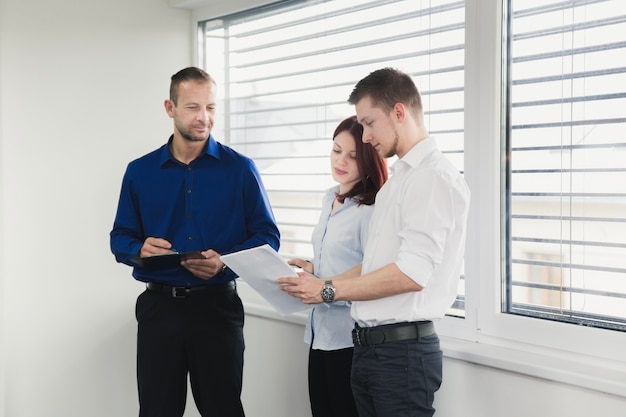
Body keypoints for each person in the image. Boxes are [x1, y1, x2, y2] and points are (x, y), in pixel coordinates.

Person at [278, 67, 470, 417]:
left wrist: (329, 292)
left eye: (369, 123)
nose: (364, 137)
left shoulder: (430, 178)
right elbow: (376, 266)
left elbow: (412, 274)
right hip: (372, 349)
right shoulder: (399, 181)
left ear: (399, 112)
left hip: (402, 354)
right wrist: (322, 283)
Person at [110, 66, 280, 417]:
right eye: (192, 107)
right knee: (157, 410)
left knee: (223, 409)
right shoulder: (139, 172)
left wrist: (226, 260)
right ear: (170, 108)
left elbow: (267, 237)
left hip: (217, 310)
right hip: (160, 311)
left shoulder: (241, 169)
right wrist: (138, 250)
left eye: (211, 107)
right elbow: (120, 237)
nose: (204, 117)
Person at [288, 116, 388, 417]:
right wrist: (312, 267)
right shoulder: (330, 197)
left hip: (349, 339)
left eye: (353, 155)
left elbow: (371, 270)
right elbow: (341, 257)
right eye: (336, 150)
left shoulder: (371, 209)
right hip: (319, 334)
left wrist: (325, 285)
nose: (340, 160)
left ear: (369, 158)